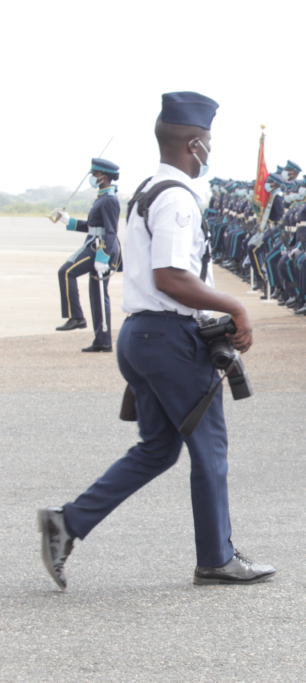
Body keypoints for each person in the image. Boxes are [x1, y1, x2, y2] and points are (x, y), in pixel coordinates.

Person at [37, 91, 276, 589]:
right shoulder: (176, 199)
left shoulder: (146, 189)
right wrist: (234, 306)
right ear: (194, 143)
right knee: (209, 447)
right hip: (168, 337)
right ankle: (217, 558)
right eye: (208, 142)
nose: (210, 150)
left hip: (144, 336)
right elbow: (170, 276)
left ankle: (67, 523)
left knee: (158, 450)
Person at [52, 158, 121, 351]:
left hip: (100, 248)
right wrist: (69, 221)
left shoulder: (110, 200)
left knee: (66, 272)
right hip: (95, 245)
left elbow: (110, 231)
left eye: (95, 174)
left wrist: (103, 256)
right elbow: (93, 227)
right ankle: (103, 341)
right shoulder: (102, 197)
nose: (92, 177)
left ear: (104, 177)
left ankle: (77, 318)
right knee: (97, 296)